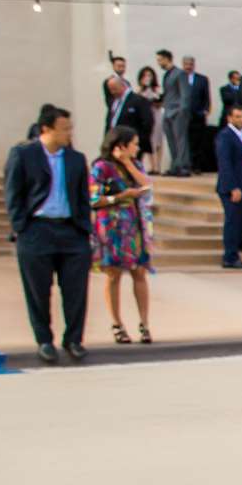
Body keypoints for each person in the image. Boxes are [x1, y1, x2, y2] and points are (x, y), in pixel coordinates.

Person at [5, 105, 94, 364]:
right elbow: (13, 194)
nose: (69, 133)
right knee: (38, 290)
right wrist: (21, 226)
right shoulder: (23, 154)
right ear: (47, 129)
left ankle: (74, 339)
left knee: (76, 290)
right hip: (36, 229)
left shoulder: (75, 159)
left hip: (71, 231)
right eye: (64, 129)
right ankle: (44, 340)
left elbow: (83, 197)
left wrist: (84, 229)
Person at [89, 124, 154, 344]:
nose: (137, 148)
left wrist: (127, 162)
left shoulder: (134, 164)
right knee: (113, 275)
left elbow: (147, 184)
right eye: (134, 144)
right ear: (121, 145)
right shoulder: (101, 167)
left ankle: (144, 323)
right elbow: (94, 198)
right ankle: (117, 323)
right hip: (111, 226)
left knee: (139, 273)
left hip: (134, 225)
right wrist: (120, 196)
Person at [214, 107, 242, 269]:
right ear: (229, 118)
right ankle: (230, 257)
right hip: (233, 187)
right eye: (237, 117)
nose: (241, 119)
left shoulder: (241, 135)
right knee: (233, 221)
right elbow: (225, 163)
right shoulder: (226, 136)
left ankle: (234, 254)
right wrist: (233, 187)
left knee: (239, 222)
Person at [160, 53, 200, 178]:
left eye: (160, 60)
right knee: (171, 140)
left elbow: (185, 94)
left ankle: (184, 165)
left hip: (177, 112)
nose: (159, 62)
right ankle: (175, 165)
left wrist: (182, 110)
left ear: (167, 59)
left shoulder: (180, 73)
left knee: (180, 140)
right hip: (167, 111)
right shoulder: (167, 74)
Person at [104, 74, 153, 168]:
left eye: (114, 88)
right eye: (110, 89)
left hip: (131, 143)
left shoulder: (138, 101)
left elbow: (147, 122)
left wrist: (139, 141)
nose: (112, 92)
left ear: (122, 86)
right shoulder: (113, 102)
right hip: (115, 143)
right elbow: (109, 121)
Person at [134, 64, 166, 172]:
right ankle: (151, 165)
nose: (148, 77)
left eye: (150, 75)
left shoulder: (157, 89)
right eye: (145, 75)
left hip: (156, 115)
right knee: (149, 140)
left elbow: (160, 102)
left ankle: (158, 165)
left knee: (157, 140)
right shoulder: (139, 90)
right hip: (145, 116)